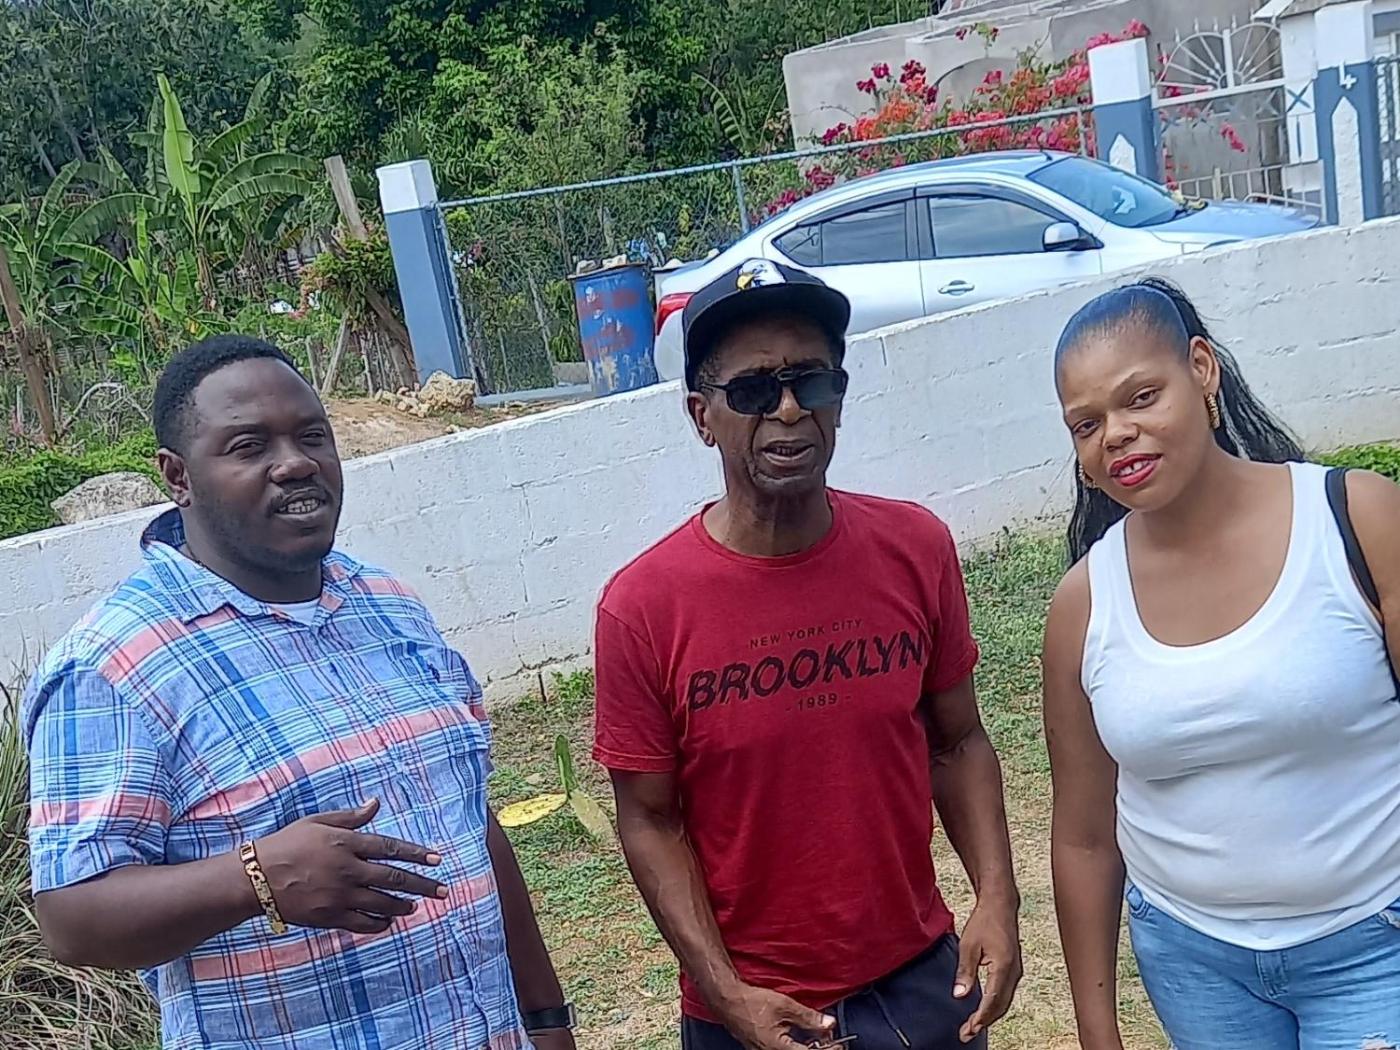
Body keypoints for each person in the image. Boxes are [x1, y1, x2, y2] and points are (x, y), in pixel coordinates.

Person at [23, 336, 578, 1050]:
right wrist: (254, 878)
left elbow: (469, 818)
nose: (295, 463)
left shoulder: (387, 604)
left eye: (312, 436)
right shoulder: (114, 667)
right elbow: (70, 919)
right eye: (249, 446)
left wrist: (545, 1018)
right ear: (177, 476)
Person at [592, 259, 1023, 1050]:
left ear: (839, 398)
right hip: (753, 1012)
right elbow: (649, 819)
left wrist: (997, 897)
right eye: (754, 390)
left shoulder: (915, 548)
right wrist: (727, 995)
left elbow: (958, 739)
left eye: (811, 382)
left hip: (921, 987)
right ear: (702, 416)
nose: (789, 409)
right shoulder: (643, 608)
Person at [1042, 278, 1400, 1050]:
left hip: (1376, 944)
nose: (1117, 434)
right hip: (1194, 966)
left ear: (1201, 369)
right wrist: (1097, 1029)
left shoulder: (1357, 522)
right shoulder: (1084, 605)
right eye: (1087, 423)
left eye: (1141, 397)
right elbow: (1083, 837)